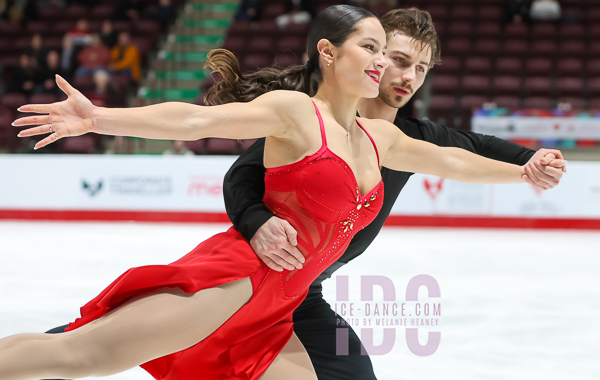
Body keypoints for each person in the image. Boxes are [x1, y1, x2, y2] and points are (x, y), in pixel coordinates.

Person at [7, 5, 565, 380]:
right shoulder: (298, 112)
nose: (384, 64)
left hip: (286, 302)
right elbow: (194, 122)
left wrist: (524, 171)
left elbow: (454, 158)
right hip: (237, 280)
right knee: (78, 355)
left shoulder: (381, 136)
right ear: (328, 52)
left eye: (390, 55)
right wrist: (99, 118)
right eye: (373, 49)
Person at [219, 7, 567, 379]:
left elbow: (473, 147)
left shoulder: (413, 137)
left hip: (304, 294)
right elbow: (240, 177)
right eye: (400, 60)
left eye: (421, 68)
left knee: (354, 372)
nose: (409, 77)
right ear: (375, 55)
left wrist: (532, 159)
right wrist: (257, 222)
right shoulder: (318, 120)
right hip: (253, 280)